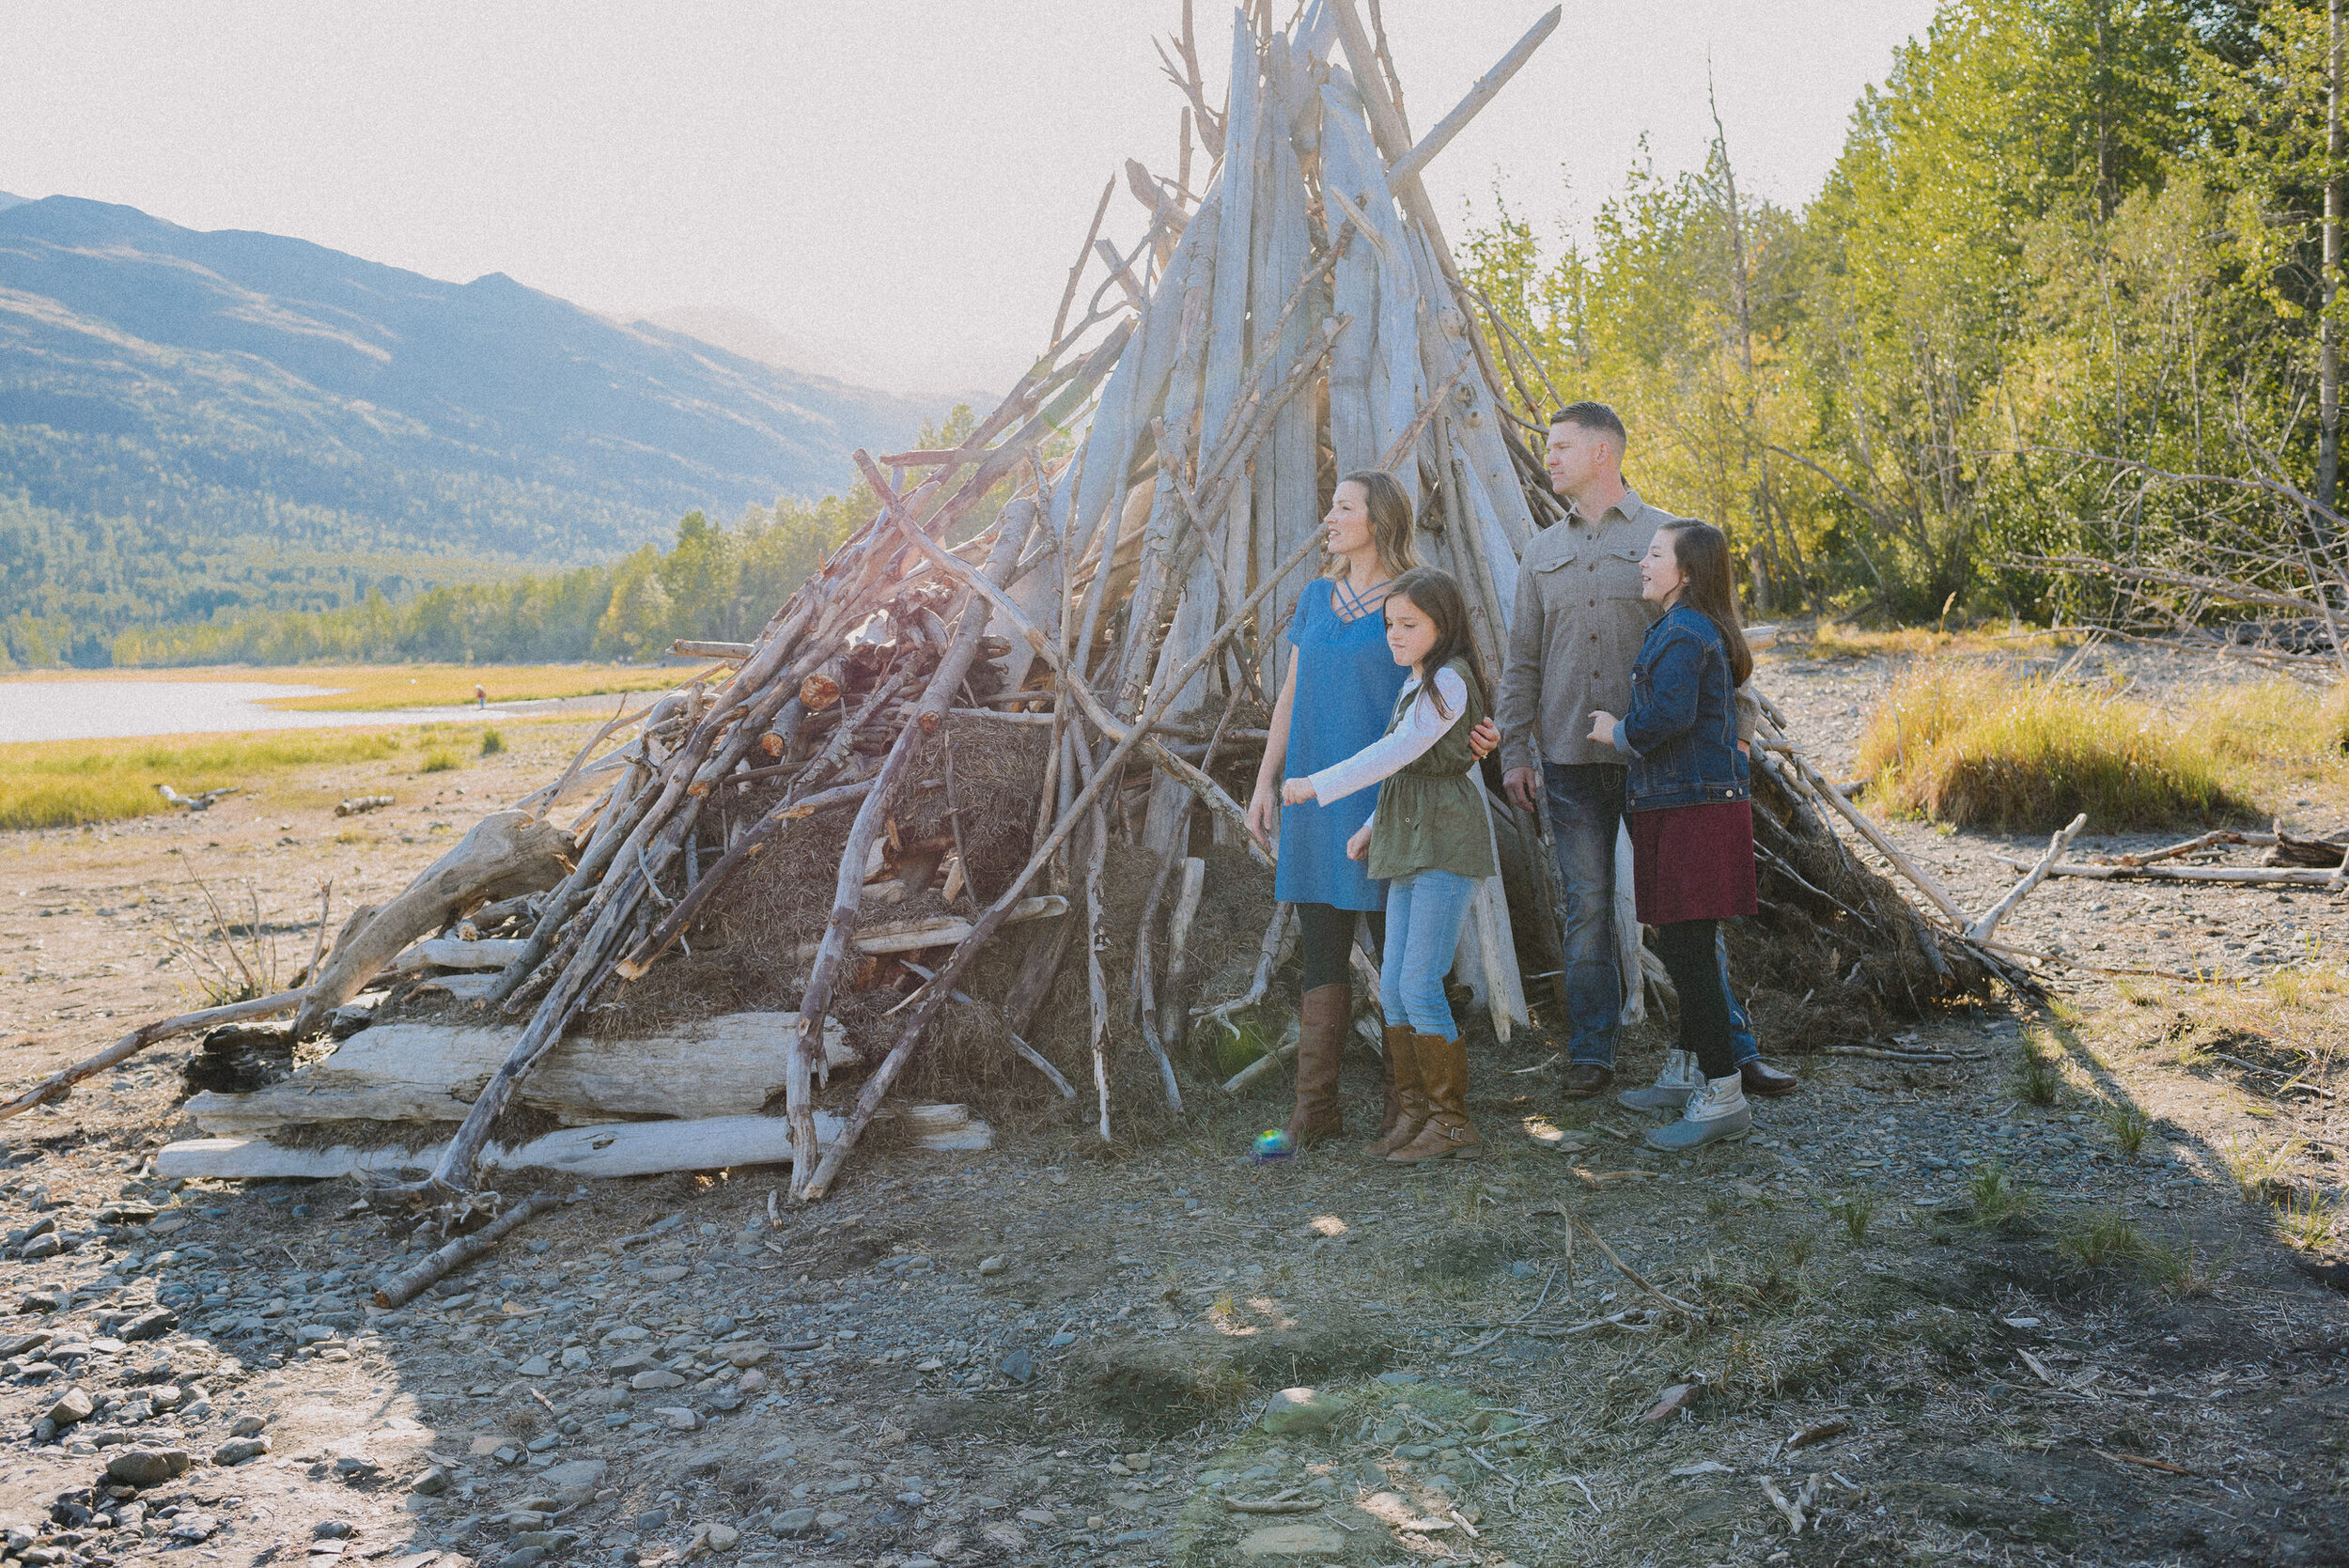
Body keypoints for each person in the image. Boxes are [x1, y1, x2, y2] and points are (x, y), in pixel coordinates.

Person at [1496, 403, 1797, 1103]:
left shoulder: (1671, 539)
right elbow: (1522, 664)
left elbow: (1722, 639)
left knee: (1689, 915)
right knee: (1588, 905)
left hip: (1660, 767)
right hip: (1570, 760)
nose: (1551, 458)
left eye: (1563, 446)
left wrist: (1741, 735)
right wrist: (1516, 749)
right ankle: (1591, 1052)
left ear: (1605, 452)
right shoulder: (1541, 553)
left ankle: (1732, 1052)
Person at [1247, 471, 1497, 1152]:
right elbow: (1291, 695)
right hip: (1313, 793)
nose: (1329, 517)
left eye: (1343, 507)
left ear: (1379, 520)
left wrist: (1480, 740)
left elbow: (1452, 694)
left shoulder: (1413, 599)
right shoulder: (1317, 597)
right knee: (1321, 947)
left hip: (1391, 799)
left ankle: (1405, 1108)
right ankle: (1314, 1109)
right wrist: (1266, 781)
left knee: (1402, 956)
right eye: (1331, 505)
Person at [1588, 520, 1759, 1149]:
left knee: (1688, 951)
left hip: (1693, 808)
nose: (1643, 561)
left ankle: (1723, 1094)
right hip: (1687, 804)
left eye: (1656, 554)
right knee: (1688, 942)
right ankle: (1692, 1065)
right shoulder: (1683, 625)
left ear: (1685, 572)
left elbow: (1671, 714)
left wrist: (1617, 731)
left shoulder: (1685, 631)